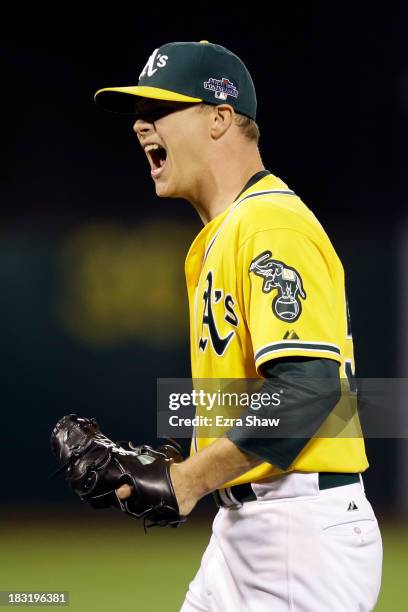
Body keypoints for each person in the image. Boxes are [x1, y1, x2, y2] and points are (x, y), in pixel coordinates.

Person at [94, 41, 383, 611]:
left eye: (159, 110)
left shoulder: (270, 225)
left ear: (221, 119)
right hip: (247, 530)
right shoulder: (222, 237)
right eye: (137, 113)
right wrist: (181, 464)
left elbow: (308, 393)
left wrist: (186, 482)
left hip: (300, 539)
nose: (139, 125)